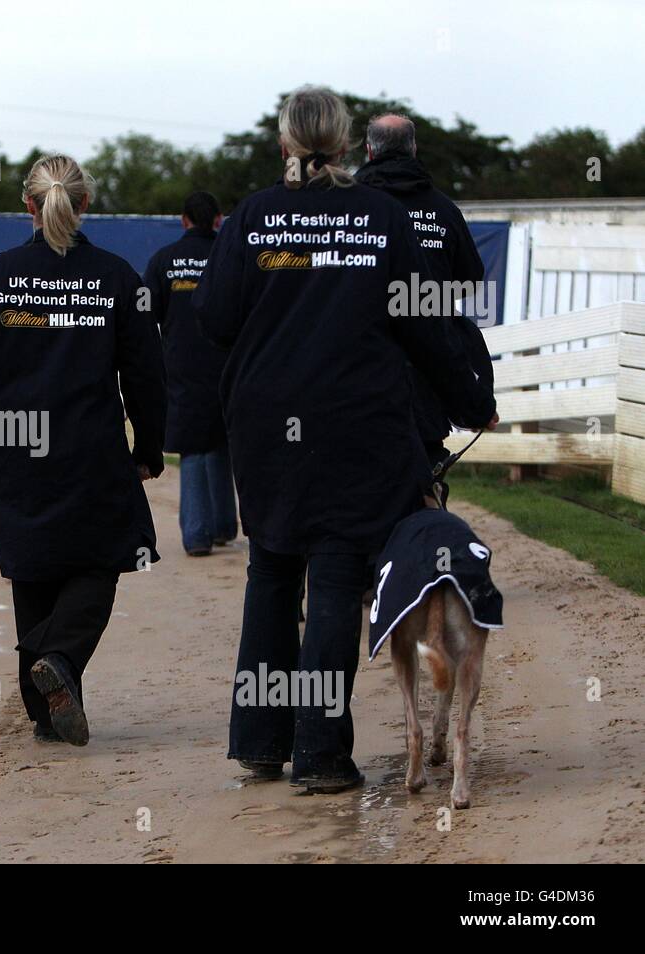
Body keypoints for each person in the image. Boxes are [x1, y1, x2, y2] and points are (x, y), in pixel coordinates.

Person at [193, 87, 496, 793]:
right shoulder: (381, 219)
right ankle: (321, 753)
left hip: (266, 421)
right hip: (356, 422)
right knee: (333, 570)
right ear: (346, 141)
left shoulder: (252, 219)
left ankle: (262, 742)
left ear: (284, 144)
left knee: (270, 567)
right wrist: (473, 401)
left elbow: (211, 317)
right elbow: (429, 326)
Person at [0, 154, 167, 746]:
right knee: (104, 556)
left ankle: (44, 711)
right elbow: (145, 374)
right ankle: (61, 659)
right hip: (90, 445)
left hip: (15, 448)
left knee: (33, 567)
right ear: (85, 203)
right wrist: (149, 444)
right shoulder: (118, 277)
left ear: (28, 205)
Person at [356, 114, 496, 482]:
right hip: (425, 385)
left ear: (369, 151)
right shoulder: (442, 209)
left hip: (356, 383)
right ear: (414, 148)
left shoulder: (347, 206)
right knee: (424, 487)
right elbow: (470, 278)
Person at [143, 191, 236, 556]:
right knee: (222, 441)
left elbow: (144, 313)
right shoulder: (230, 256)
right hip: (228, 363)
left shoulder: (164, 260)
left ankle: (197, 534)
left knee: (194, 446)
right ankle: (225, 526)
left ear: (183, 221)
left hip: (181, 364)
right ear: (218, 220)